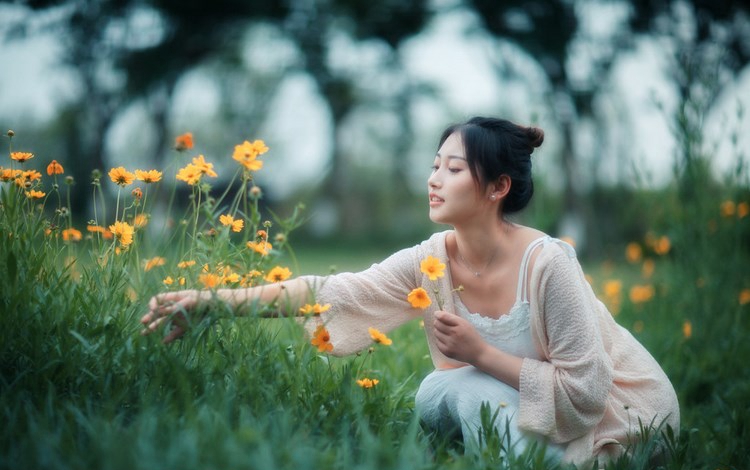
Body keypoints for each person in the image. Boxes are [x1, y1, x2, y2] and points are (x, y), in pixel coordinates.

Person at [141, 116, 680, 467]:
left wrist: (481, 353)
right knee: (433, 395)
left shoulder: (548, 265)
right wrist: (214, 303)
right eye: (433, 166)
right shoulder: (432, 259)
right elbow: (331, 291)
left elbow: (586, 392)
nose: (434, 179)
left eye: (453, 169)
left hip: (619, 416)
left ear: (498, 187)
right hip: (522, 404)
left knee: (466, 390)